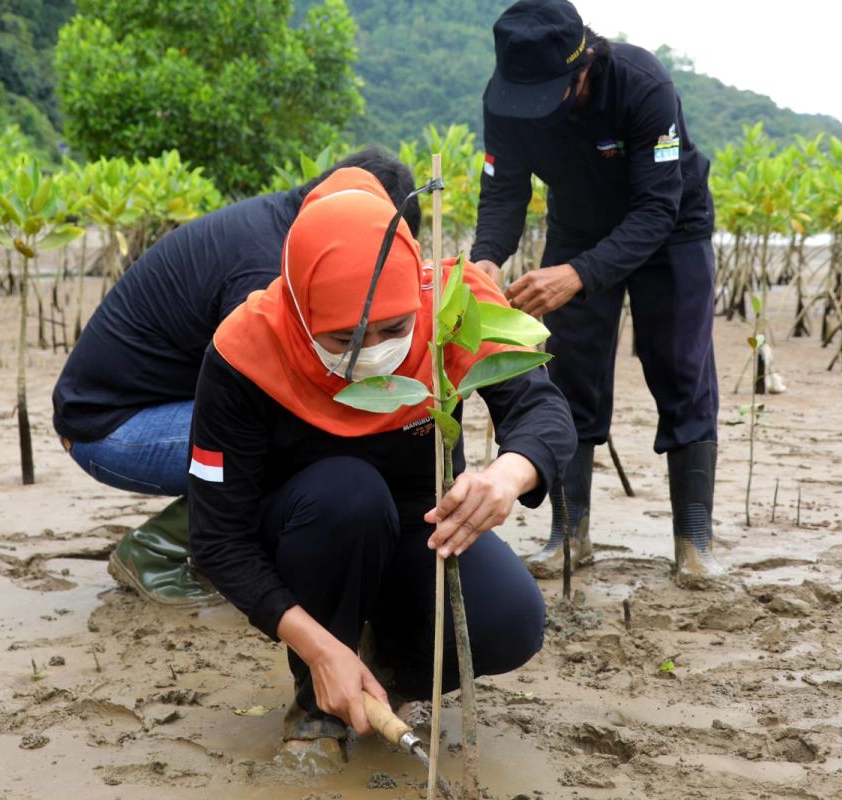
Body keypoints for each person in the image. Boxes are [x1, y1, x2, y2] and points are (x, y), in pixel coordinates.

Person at [189, 167, 575, 760]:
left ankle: (384, 676)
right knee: (348, 493)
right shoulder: (247, 347)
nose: (374, 354)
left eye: (394, 330)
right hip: (307, 533)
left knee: (513, 622)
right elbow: (217, 539)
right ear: (299, 306)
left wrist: (508, 473)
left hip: (420, 526)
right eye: (344, 339)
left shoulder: (452, 303)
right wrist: (318, 648)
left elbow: (542, 410)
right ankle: (317, 703)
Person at [51, 149, 420, 606]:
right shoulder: (274, 263)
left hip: (156, 405)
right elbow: (255, 391)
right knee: (296, 434)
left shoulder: (283, 226)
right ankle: (154, 550)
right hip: (111, 429)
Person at [471, 0, 723, 586]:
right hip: (577, 224)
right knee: (568, 374)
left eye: (548, 93)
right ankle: (570, 535)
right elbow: (503, 194)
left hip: (672, 229)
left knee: (680, 368)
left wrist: (578, 275)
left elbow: (657, 208)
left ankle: (693, 542)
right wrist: (486, 260)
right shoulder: (504, 101)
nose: (533, 108)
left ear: (583, 67)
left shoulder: (641, 85)